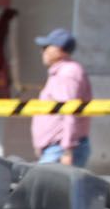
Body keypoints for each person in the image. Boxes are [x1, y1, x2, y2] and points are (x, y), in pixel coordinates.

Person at [31, 26, 92, 166]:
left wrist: (67, 150)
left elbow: (69, 111)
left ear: (59, 49)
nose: (42, 51)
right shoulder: (61, 72)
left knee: (46, 187)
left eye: (46, 47)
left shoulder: (68, 73)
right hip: (55, 149)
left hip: (60, 150)